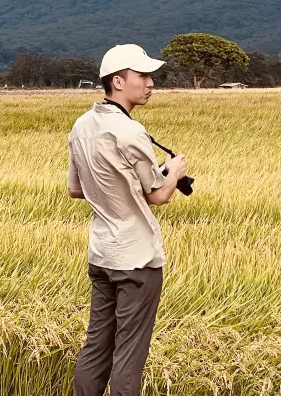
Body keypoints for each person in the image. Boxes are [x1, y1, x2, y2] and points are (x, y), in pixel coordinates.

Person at [68, 44, 187, 396]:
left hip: (101, 254)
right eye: (143, 76)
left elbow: (76, 189)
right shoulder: (131, 132)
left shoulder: (81, 125)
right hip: (137, 259)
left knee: (96, 347)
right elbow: (158, 195)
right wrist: (175, 170)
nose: (151, 83)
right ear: (118, 81)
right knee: (129, 356)